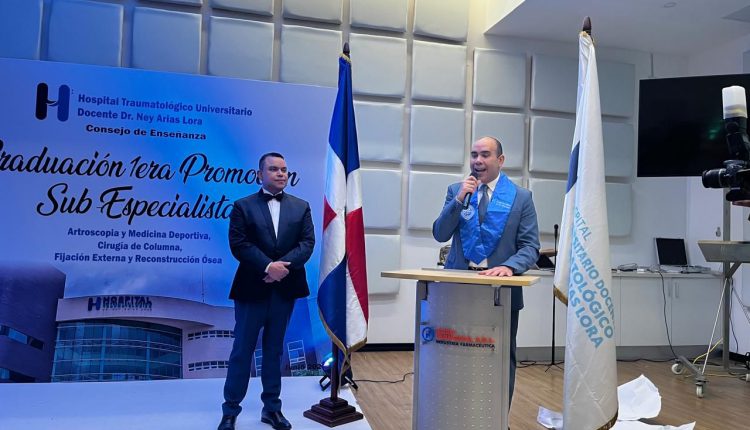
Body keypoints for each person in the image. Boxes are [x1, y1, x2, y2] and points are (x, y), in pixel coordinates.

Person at [432, 136, 540, 409]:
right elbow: (440, 233)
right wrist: (458, 200)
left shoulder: (521, 197)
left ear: (500, 160)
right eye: (474, 155)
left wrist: (510, 266)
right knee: (454, 353)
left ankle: (499, 418)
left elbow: (530, 247)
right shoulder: (456, 190)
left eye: (485, 155)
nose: (477, 160)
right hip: (459, 288)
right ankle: (456, 415)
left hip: (501, 292)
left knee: (501, 357)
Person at [218, 152, 315, 430]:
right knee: (242, 350)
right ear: (259, 174)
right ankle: (230, 411)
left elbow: (307, 243)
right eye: (274, 169)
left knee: (274, 351)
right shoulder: (243, 206)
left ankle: (272, 409)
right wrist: (267, 267)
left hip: (285, 289)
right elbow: (239, 244)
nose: (281, 173)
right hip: (252, 288)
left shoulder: (301, 207)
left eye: (284, 169)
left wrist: (281, 268)